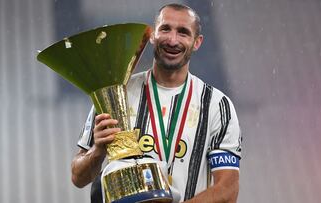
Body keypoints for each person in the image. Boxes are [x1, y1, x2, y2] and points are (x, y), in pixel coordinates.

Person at [71, 3, 242, 203]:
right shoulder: (116, 94)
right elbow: (78, 177)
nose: (172, 40)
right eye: (165, 29)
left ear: (197, 42)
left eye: (183, 32)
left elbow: (228, 189)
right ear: (152, 35)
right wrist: (97, 150)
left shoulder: (217, 106)